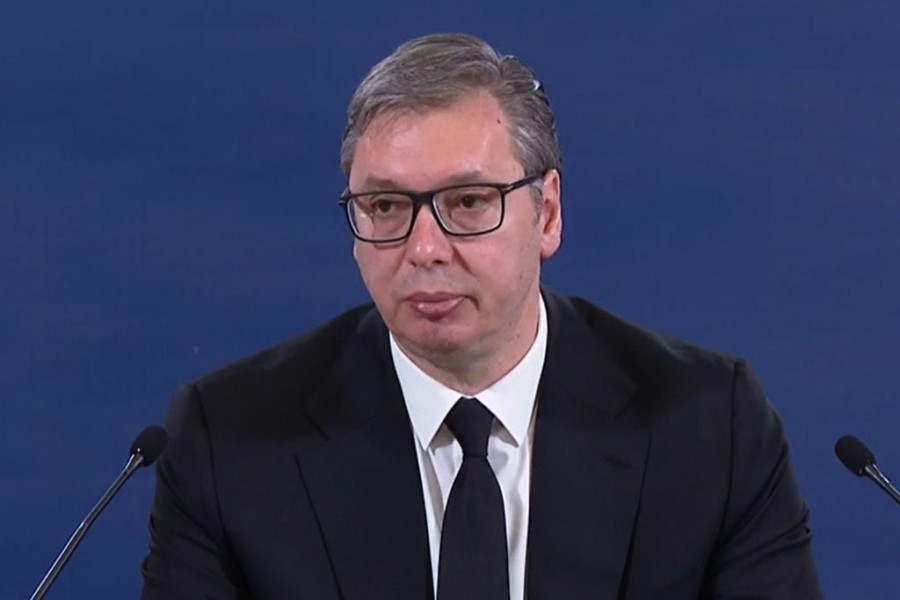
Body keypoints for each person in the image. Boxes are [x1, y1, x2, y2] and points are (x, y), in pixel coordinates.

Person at [141, 33, 823, 599]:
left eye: (467, 202)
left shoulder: (708, 427)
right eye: (386, 208)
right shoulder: (229, 441)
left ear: (547, 214)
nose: (424, 249)